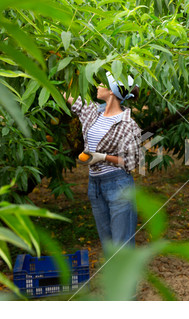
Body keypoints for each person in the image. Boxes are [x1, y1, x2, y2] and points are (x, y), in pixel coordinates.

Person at [65, 72, 142, 248]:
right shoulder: (92, 112)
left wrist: (102, 157)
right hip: (95, 185)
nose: (98, 85)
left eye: (103, 83)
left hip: (118, 184)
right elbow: (66, 95)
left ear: (112, 91)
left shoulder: (128, 124)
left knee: (122, 243)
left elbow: (132, 160)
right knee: (107, 243)